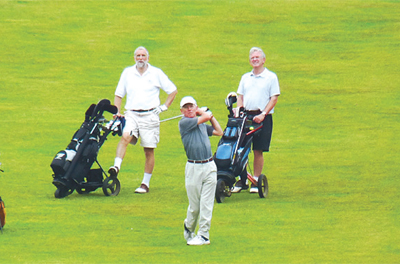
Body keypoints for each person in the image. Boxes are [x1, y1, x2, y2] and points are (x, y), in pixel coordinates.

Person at [109, 46, 178, 194]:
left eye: (143, 56)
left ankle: (145, 184)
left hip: (150, 116)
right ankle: (116, 167)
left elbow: (172, 90)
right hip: (131, 114)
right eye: (138, 56)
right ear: (134, 58)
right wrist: (117, 112)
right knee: (125, 136)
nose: (141, 58)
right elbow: (119, 94)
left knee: (148, 149)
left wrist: (164, 107)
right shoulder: (127, 72)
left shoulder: (156, 73)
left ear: (148, 57)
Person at [231, 47, 280, 193]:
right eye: (252, 58)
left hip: (262, 117)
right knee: (241, 148)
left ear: (263, 60)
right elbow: (240, 96)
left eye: (257, 57)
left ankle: (256, 179)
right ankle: (243, 179)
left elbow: (274, 98)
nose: (255, 59)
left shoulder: (271, 77)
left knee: (258, 149)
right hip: (246, 116)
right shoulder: (245, 77)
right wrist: (239, 109)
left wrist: (264, 114)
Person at [178, 96, 223, 246]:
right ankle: (188, 226)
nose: (189, 109)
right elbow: (203, 117)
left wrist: (212, 116)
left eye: (192, 106)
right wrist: (203, 112)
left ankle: (204, 235)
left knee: (207, 204)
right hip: (193, 167)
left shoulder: (202, 123)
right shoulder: (184, 122)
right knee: (195, 207)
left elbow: (219, 131)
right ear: (181, 111)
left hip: (209, 166)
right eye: (186, 107)